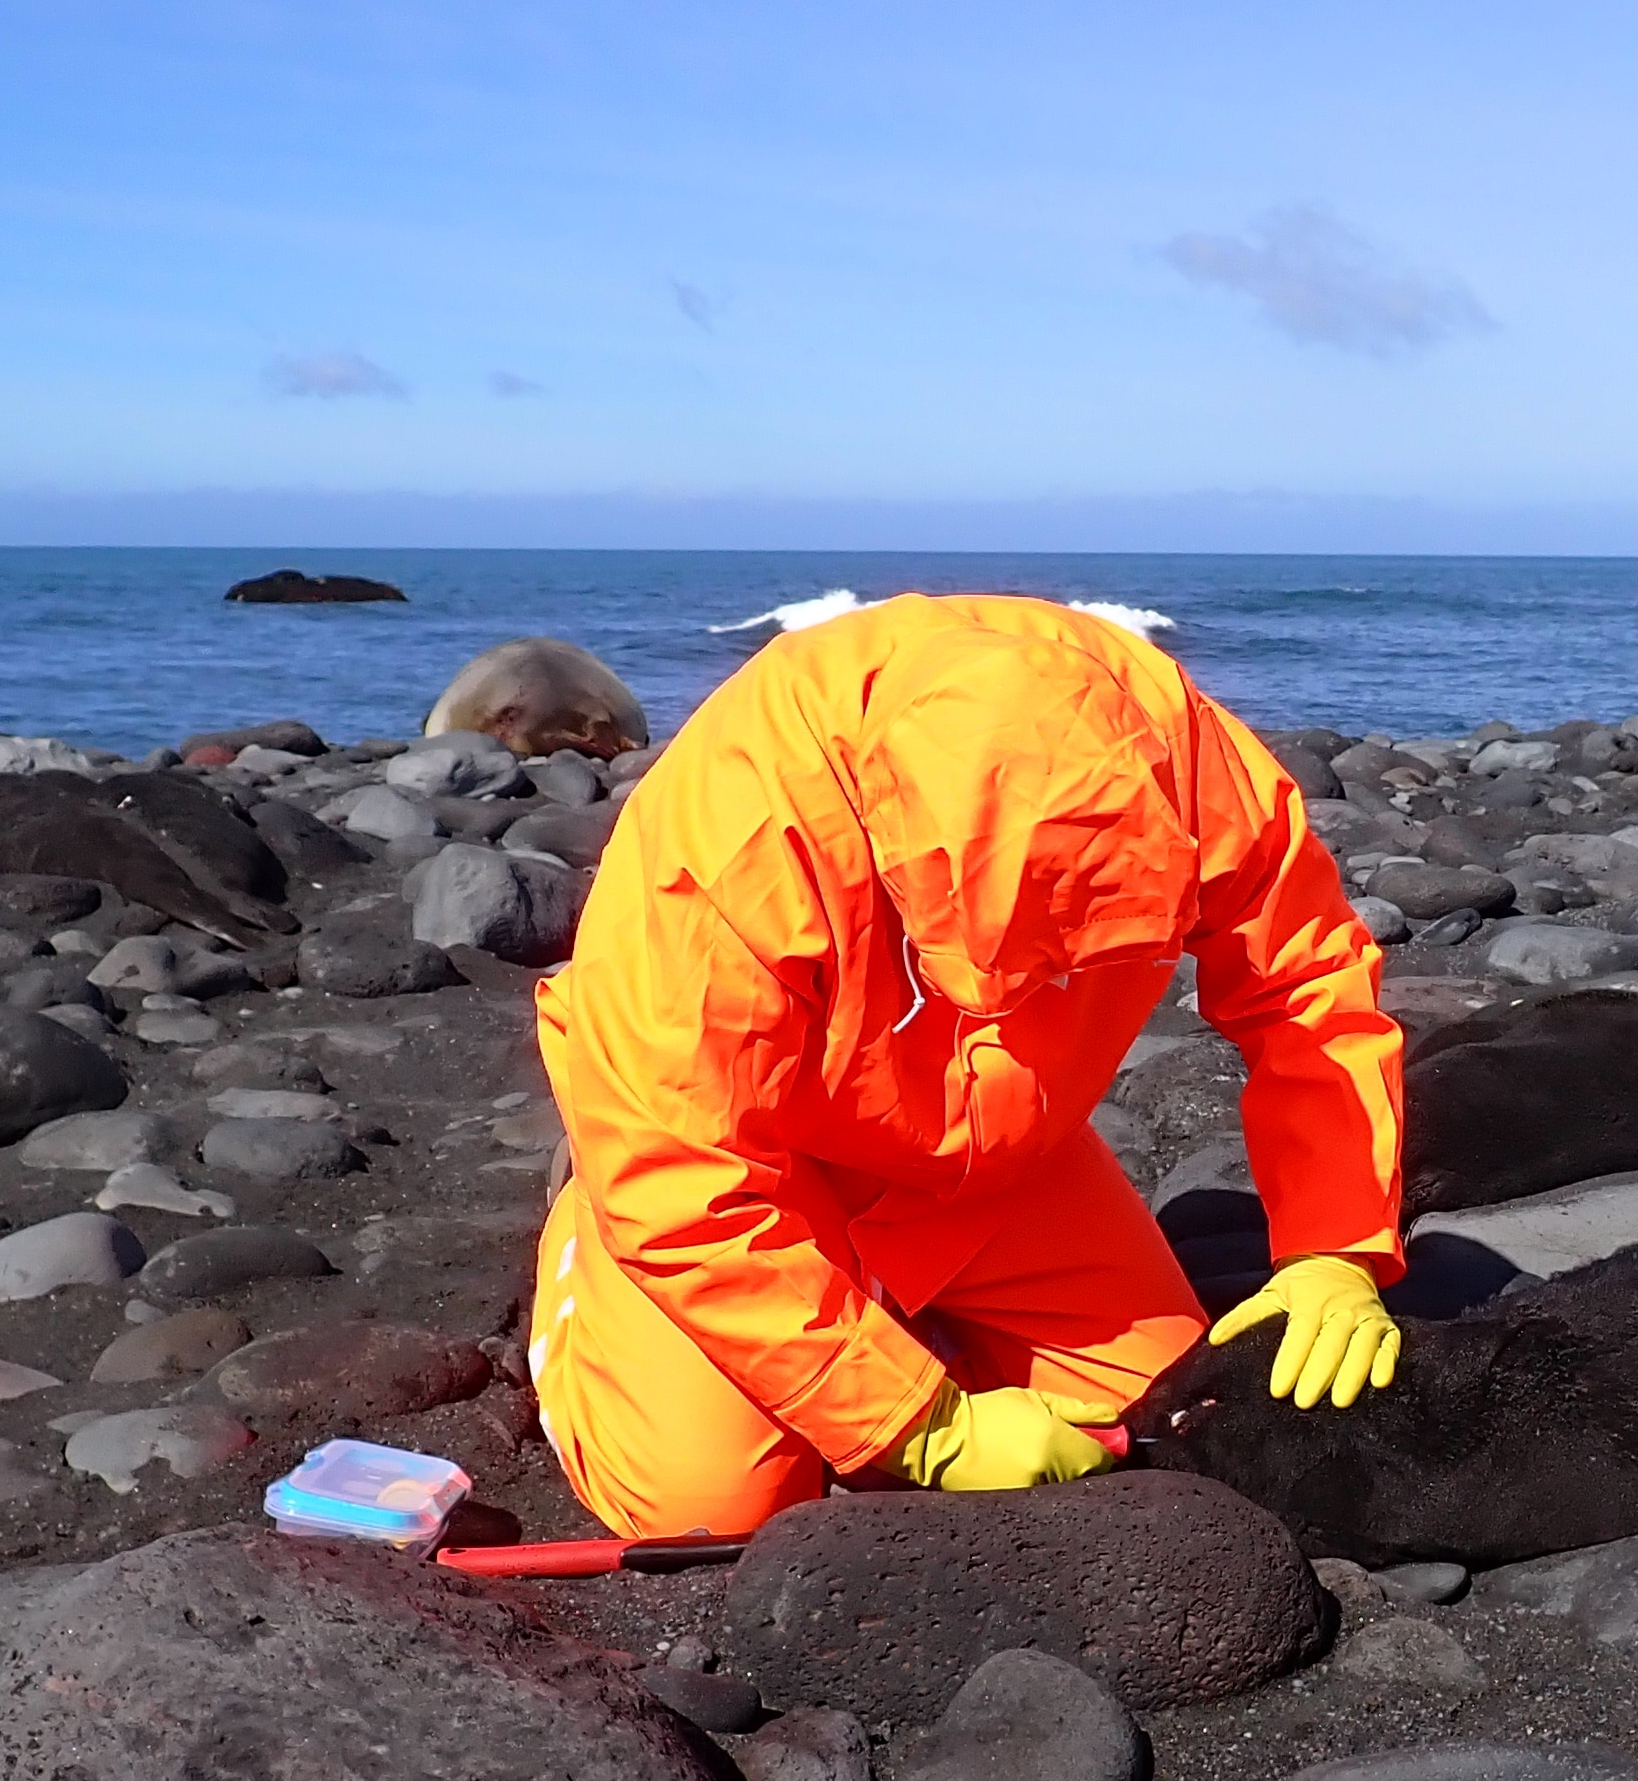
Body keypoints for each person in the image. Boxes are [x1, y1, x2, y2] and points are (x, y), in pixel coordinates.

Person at [524, 594, 1407, 1539]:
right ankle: (590, 1256)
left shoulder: (1180, 754)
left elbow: (1306, 986)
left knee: (1167, 1418)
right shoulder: (741, 833)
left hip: (1003, 1158)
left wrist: (1334, 1250)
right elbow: (680, 1169)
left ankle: (897, 1313)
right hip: (757, 1153)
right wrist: (925, 1430)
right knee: (710, 1509)